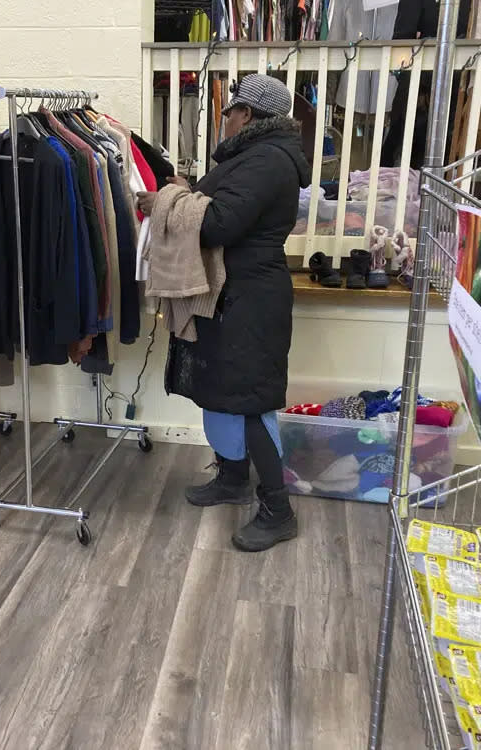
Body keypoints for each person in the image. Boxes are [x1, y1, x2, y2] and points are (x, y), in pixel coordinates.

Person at [137, 74, 311, 552]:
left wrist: (166, 202)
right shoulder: (252, 157)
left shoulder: (267, 160)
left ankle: (278, 511)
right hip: (232, 294)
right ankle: (234, 480)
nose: (224, 117)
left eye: (229, 110)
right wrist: (185, 191)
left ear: (248, 115)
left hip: (250, 300)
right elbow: (216, 204)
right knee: (221, 390)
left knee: (250, 401)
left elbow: (217, 223)